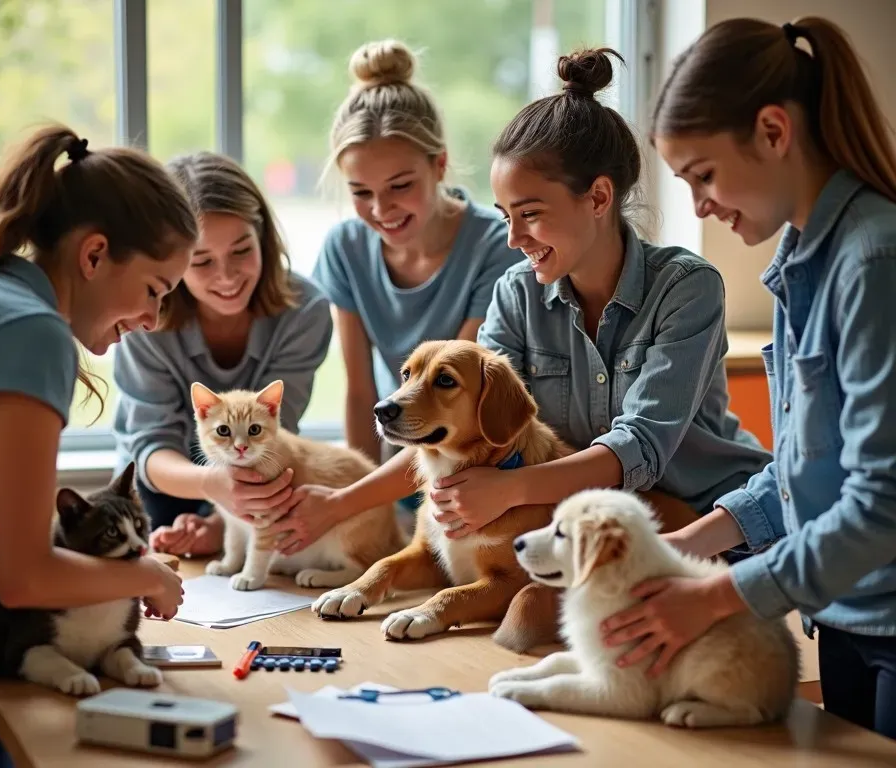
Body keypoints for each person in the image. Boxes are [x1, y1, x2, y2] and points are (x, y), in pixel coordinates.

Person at [267, 47, 772, 559]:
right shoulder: (515, 293)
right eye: (505, 215)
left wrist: (509, 489)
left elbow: (641, 445)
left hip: (717, 531)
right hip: (590, 532)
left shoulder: (686, 288)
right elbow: (458, 424)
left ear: (598, 198)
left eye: (529, 213)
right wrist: (341, 504)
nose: (512, 238)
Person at [598, 17, 896, 741]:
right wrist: (679, 553)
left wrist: (720, 596)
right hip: (844, 616)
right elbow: (802, 472)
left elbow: (881, 502)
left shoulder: (872, 263)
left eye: (703, 175)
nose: (699, 206)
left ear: (772, 131)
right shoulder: (802, 258)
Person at [0, 124, 194, 766]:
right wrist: (145, 575)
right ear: (95, 254)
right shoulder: (30, 329)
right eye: (156, 290)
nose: (154, 320)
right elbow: (24, 576)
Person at [311, 39, 523, 472]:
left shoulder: (496, 246)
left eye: (400, 186)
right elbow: (358, 390)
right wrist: (366, 499)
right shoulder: (345, 249)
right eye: (361, 193)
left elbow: (464, 393)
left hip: (475, 459)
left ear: (439, 165)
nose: (381, 209)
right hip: (401, 450)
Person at [112, 151, 332, 557]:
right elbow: (150, 444)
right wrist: (211, 490)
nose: (227, 277)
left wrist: (221, 525)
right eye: (201, 261)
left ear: (262, 235)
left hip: (260, 485)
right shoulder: (144, 320)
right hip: (166, 483)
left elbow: (279, 433)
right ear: (172, 262)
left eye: (241, 251)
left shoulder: (306, 311)